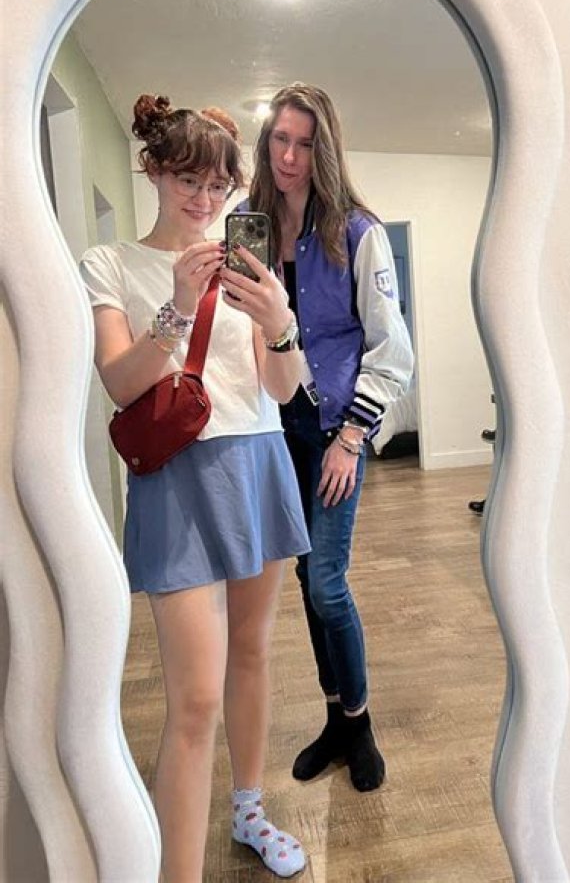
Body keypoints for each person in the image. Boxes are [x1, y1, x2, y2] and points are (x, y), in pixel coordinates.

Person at [79, 94, 310, 880]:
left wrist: (279, 320)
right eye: (188, 179)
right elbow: (120, 383)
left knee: (252, 655)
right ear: (154, 170)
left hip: (259, 462)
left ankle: (249, 809)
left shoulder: (247, 261)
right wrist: (178, 307)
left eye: (218, 185)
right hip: (179, 478)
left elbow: (282, 389)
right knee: (195, 700)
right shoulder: (110, 262)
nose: (205, 199)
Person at [237, 83, 414, 793]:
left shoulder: (358, 232)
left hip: (336, 428)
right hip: (273, 426)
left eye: (305, 143)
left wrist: (352, 438)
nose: (289, 156)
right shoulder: (248, 228)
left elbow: (392, 348)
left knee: (329, 584)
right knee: (307, 580)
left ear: (325, 149)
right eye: (280, 139)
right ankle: (336, 718)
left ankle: (360, 723)